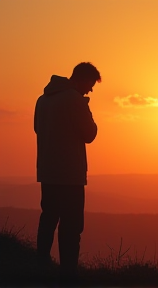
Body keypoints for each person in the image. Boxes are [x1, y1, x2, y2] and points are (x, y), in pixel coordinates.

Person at [34, 62, 101, 284]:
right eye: (90, 85)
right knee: (71, 226)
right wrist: (86, 108)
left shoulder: (42, 100)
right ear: (81, 79)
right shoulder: (75, 101)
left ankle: (41, 265)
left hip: (48, 171)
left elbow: (38, 129)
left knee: (48, 218)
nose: (90, 90)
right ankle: (68, 274)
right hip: (70, 174)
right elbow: (89, 134)